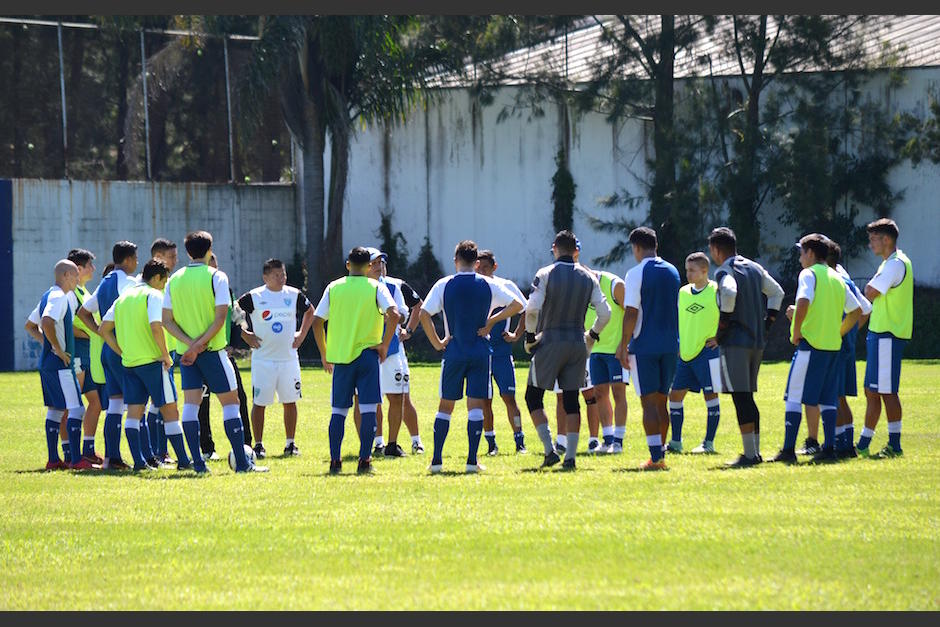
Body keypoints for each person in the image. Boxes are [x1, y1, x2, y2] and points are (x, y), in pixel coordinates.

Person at [163, 231, 267, 474]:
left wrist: (190, 345)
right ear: (209, 250)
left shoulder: (174, 279)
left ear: (188, 252)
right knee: (231, 403)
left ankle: (198, 463)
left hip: (186, 354)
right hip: (212, 352)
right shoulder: (217, 277)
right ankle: (242, 464)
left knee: (190, 406)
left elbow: (166, 321)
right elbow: (222, 318)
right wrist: (200, 345)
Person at [419, 240, 525, 473]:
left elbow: (424, 314)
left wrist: (438, 343)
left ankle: (436, 461)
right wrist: (493, 320)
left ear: (456, 260)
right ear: (477, 263)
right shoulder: (488, 284)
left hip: (454, 349)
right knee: (475, 406)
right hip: (480, 351)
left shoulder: (444, 284)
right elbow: (518, 304)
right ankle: (471, 461)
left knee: (445, 406)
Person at [770, 234, 862, 464]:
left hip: (810, 346)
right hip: (832, 348)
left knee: (793, 396)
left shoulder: (809, 274)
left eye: (802, 252)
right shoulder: (837, 277)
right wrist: (838, 332)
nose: (800, 258)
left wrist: (795, 331)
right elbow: (856, 311)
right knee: (827, 398)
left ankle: (788, 450)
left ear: (810, 253)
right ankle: (829, 448)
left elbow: (803, 302)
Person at [523, 230, 610, 471]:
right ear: (575, 250)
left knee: (533, 396)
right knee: (572, 400)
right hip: (577, 343)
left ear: (554, 248)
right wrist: (591, 335)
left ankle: (550, 450)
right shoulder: (589, 277)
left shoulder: (546, 273)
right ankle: (570, 457)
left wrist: (530, 336)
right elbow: (605, 314)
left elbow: (531, 310)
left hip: (550, 341)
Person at [98, 259, 196, 471]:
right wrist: (164, 354)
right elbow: (155, 326)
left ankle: (139, 463)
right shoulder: (153, 295)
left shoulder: (123, 297)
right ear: (157, 278)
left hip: (130, 364)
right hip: (153, 363)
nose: (164, 286)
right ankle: (184, 462)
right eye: (164, 281)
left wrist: (122, 351)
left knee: (134, 412)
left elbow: (103, 329)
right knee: (170, 410)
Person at [312, 246, 400, 475]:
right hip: (368, 356)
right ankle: (365, 460)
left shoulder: (334, 287)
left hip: (341, 358)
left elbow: (316, 321)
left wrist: (324, 352)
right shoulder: (376, 286)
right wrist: (384, 343)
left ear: (348, 265)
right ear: (370, 266)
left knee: (338, 411)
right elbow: (395, 314)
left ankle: (335, 461)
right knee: (369, 409)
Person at [706, 227, 784, 468]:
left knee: (741, 398)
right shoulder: (754, 267)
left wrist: (722, 329)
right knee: (747, 396)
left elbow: (729, 292)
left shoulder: (725, 271)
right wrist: (768, 323)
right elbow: (777, 293)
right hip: (756, 342)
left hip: (736, 343)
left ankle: (749, 455)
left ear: (717, 249)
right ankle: (755, 452)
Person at [615, 227, 680, 471]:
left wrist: (623, 345)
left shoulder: (636, 273)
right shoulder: (673, 271)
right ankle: (660, 454)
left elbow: (631, 312)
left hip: (645, 346)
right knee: (662, 402)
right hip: (671, 344)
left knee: (648, 404)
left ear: (637, 247)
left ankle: (655, 458)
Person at [238, 258, 314, 458]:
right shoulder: (254, 296)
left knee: (290, 401)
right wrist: (245, 333)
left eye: (283, 274)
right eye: (276, 275)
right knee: (260, 402)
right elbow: (234, 312)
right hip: (263, 360)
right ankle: (259, 445)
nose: (281, 278)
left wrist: (302, 334)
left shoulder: (293, 294)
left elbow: (310, 311)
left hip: (288, 359)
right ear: (265, 277)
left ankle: (290, 444)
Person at [76, 241, 140, 470]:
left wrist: (99, 333)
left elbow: (83, 312)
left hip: (107, 350)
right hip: (124, 350)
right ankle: (144, 457)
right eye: (136, 258)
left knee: (115, 404)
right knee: (136, 403)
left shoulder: (104, 282)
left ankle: (111, 458)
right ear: (128, 260)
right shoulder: (130, 283)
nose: (137, 262)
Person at [857, 218, 913, 458]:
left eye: (873, 239)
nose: (870, 244)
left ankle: (894, 445)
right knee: (872, 390)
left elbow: (870, 292)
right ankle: (863, 444)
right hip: (881, 335)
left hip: (888, 335)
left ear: (887, 239)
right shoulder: (890, 262)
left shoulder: (895, 264)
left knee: (886, 391)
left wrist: (868, 290)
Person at [196, 252, 254, 461]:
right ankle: (206, 448)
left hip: (223, 354)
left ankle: (246, 445)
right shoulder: (194, 291)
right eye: (210, 265)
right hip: (200, 355)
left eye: (215, 265)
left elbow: (236, 319)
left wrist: (235, 344)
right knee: (201, 403)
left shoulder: (224, 290)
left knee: (239, 398)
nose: (214, 269)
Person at [31, 260, 89, 470]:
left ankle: (54, 460)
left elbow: (31, 325)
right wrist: (57, 348)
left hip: (48, 363)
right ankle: (76, 460)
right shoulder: (60, 297)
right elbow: (46, 322)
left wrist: (49, 345)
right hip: (60, 364)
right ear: (65, 275)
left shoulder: (48, 294)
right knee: (77, 408)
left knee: (56, 409)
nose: (77, 280)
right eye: (75, 276)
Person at [474, 249, 528, 455]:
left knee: (509, 397)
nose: (482, 272)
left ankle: (519, 441)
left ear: (494, 267)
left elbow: (525, 309)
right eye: (478, 268)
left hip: (502, 352)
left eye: (485, 268)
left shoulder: (506, 286)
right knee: (485, 400)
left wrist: (516, 334)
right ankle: (491, 444)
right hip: (481, 352)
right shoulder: (474, 287)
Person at [668, 252, 722, 455]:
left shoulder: (716, 290)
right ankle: (675, 442)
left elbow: (730, 315)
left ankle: (708, 443)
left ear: (704, 271)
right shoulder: (683, 292)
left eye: (692, 270)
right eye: (687, 270)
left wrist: (720, 337)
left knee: (711, 395)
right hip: (686, 354)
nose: (688, 274)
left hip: (708, 353)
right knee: (674, 396)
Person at [141, 238, 180, 466]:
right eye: (171, 257)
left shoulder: (169, 283)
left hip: (170, 349)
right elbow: (155, 323)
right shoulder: (151, 287)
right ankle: (158, 452)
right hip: (155, 352)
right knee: (159, 404)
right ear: (158, 258)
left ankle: (160, 451)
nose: (175, 261)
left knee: (163, 403)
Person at [584, 263, 629, 455]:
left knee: (619, 394)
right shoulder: (581, 289)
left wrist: (625, 343)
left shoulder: (614, 284)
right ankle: (607, 439)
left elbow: (633, 313)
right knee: (600, 394)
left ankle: (618, 442)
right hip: (594, 350)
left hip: (616, 350)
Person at [65, 248, 105, 465]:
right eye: (90, 265)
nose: (94, 269)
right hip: (78, 353)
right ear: (78, 269)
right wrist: (92, 333)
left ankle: (88, 448)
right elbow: (67, 326)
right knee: (71, 405)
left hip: (90, 355)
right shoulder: (70, 294)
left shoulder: (84, 292)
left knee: (95, 403)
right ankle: (69, 453)